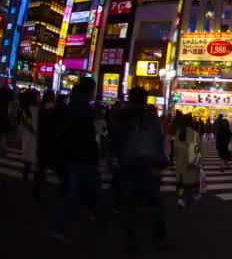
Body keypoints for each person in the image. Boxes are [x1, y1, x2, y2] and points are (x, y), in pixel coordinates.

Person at [110, 87, 168, 256]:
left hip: (128, 164)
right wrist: (161, 159)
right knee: (155, 203)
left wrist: (115, 158)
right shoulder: (150, 118)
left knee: (129, 206)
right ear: (145, 100)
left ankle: (131, 244)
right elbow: (158, 138)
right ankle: (159, 237)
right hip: (148, 164)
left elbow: (116, 140)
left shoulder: (121, 116)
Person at [52, 78, 101, 241]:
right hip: (81, 154)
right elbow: (86, 133)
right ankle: (63, 226)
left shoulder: (73, 104)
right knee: (81, 190)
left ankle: (61, 225)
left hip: (71, 154)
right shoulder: (83, 108)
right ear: (89, 91)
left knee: (73, 191)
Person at [173, 113, 201, 209]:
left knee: (181, 183)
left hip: (180, 163)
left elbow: (175, 150)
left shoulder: (179, 133)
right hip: (190, 164)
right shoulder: (195, 134)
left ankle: (180, 199)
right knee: (190, 183)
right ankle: (188, 198)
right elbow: (196, 151)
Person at [33, 90, 56, 202]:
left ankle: (38, 186)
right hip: (48, 141)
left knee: (41, 165)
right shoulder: (51, 110)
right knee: (43, 165)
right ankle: (38, 188)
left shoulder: (41, 109)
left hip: (42, 140)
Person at [20, 89, 39, 180]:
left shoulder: (26, 109)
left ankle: (26, 172)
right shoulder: (36, 109)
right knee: (31, 154)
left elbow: (25, 123)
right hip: (32, 135)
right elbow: (27, 123)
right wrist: (34, 130)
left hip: (28, 135)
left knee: (27, 154)